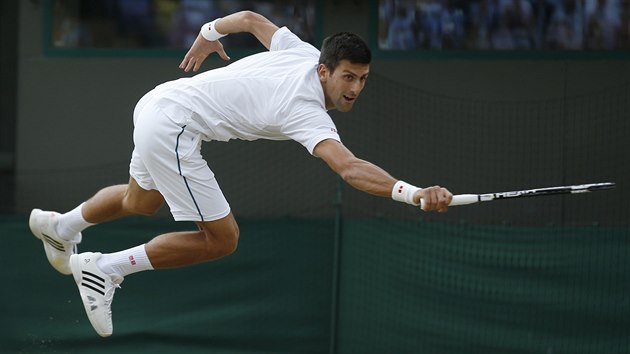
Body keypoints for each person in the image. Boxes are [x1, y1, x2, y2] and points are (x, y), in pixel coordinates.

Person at [29, 10, 453, 337]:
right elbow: (350, 168)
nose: (355, 88)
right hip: (175, 125)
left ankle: (60, 225)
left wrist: (208, 34)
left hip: (157, 103)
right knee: (222, 239)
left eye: (362, 79)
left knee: (139, 201)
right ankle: (107, 267)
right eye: (348, 77)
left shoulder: (300, 51)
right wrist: (413, 193)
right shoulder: (304, 110)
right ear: (324, 71)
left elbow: (249, 20)